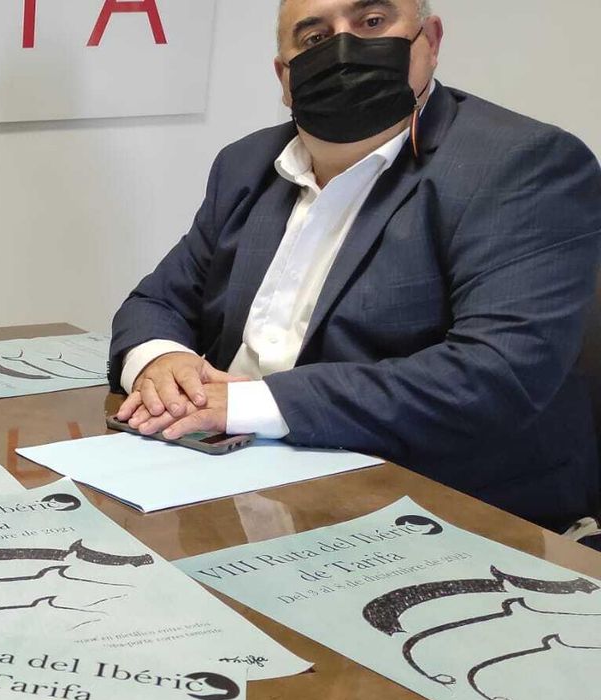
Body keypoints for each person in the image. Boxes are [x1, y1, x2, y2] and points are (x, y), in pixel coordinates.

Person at [109, 0, 601, 530]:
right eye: (315, 39)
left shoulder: (521, 163)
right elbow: (155, 302)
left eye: (371, 23)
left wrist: (248, 404)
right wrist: (162, 365)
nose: (345, 50)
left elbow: (497, 375)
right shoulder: (246, 165)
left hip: (433, 508)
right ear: (286, 76)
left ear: (430, 42)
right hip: (230, 486)